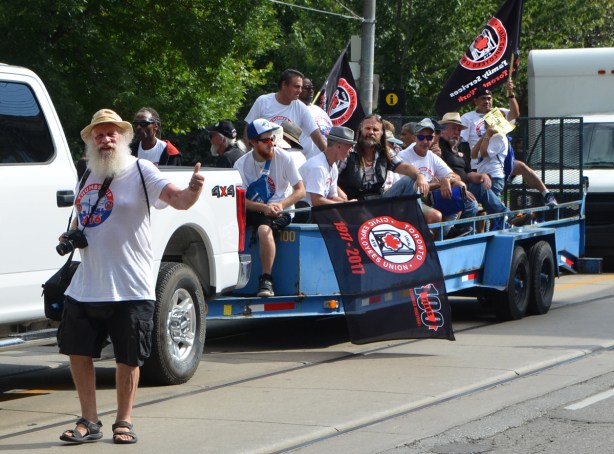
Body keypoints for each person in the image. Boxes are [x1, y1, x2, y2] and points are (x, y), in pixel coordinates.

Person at [58, 109, 204, 445]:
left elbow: (178, 200)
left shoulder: (142, 170)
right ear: (91, 141)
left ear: (124, 138)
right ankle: (88, 420)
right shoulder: (87, 173)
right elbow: (81, 218)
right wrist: (67, 236)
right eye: (99, 134)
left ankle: (124, 420)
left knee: (128, 357)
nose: (105, 139)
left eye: (111, 133)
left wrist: (193, 190)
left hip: (130, 286)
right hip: (86, 285)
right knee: (78, 352)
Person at [234, 119, 305, 298]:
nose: (271, 143)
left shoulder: (284, 157)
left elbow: (301, 191)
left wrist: (281, 205)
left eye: (272, 138)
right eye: (265, 140)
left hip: (281, 209)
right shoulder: (241, 164)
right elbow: (239, 200)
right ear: (252, 142)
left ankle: (266, 280)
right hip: (256, 208)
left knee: (265, 230)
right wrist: (262, 207)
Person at [461, 83, 557, 206]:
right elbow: (463, 143)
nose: (486, 101)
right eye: (483, 98)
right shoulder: (468, 118)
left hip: (501, 160)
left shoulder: (498, 113)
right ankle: (500, 219)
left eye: (489, 98)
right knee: (486, 200)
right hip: (481, 163)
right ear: (475, 101)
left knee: (522, 167)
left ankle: (547, 194)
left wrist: (511, 93)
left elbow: (515, 113)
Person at [337, 114, 438, 224]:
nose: (371, 132)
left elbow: (403, 166)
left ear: (381, 134)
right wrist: (344, 200)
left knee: (410, 180)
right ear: (361, 130)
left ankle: (414, 226)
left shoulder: (385, 152)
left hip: (380, 202)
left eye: (375, 129)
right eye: (367, 128)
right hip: (353, 205)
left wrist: (420, 175)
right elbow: (331, 178)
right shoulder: (349, 152)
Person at [399, 118, 477, 237]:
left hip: (429, 196)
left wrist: (447, 180)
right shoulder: (404, 156)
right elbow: (412, 188)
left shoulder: (431, 156)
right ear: (415, 138)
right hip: (410, 198)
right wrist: (440, 184)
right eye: (421, 137)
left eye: (429, 137)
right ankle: (435, 245)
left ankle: (448, 232)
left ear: (434, 138)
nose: (425, 141)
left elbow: (456, 176)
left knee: (461, 189)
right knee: (435, 215)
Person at [438, 112, 509, 231]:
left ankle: (502, 217)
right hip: (449, 189)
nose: (457, 133)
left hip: (465, 187)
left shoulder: (457, 150)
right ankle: (504, 215)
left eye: (459, 130)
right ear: (443, 131)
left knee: (481, 184)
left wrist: (483, 175)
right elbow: (438, 173)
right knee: (474, 201)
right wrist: (460, 188)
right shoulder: (439, 147)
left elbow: (469, 173)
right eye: (454, 129)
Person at [244, 69, 326, 154]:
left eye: (301, 87)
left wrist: (330, 162)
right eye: (296, 86)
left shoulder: (301, 108)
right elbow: (247, 132)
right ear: (284, 85)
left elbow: (317, 137)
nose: (300, 90)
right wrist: (251, 157)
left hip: (286, 160)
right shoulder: (263, 102)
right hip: (262, 158)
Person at [295, 126, 356, 222]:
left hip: (313, 212)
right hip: (301, 213)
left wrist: (348, 204)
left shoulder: (333, 166)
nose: (351, 150)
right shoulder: (318, 166)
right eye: (349, 146)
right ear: (339, 146)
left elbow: (332, 197)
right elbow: (317, 201)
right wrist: (344, 204)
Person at [298, 77, 333, 159]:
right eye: (307, 88)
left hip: (323, 162)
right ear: (298, 89)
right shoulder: (294, 109)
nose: (311, 91)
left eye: (312, 88)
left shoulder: (320, 111)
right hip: (303, 162)